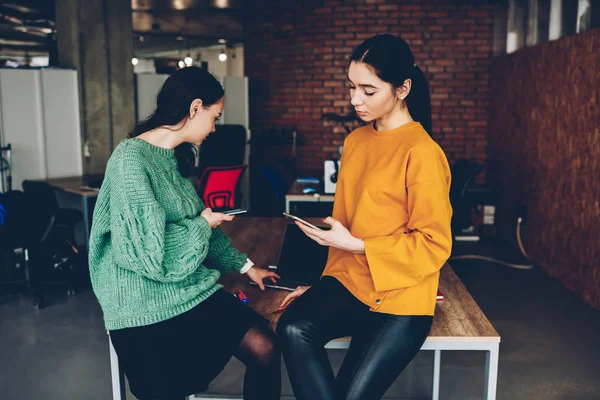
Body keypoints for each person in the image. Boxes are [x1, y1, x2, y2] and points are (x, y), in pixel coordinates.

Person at [276, 34, 453, 400]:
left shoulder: (423, 153)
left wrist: (356, 245)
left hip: (402, 296)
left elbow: (435, 244)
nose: (355, 99)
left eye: (368, 90)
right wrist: (322, 285)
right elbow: (343, 223)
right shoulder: (355, 141)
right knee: (292, 328)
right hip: (349, 282)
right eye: (352, 87)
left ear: (402, 88)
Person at [88, 66, 281, 400]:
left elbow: (199, 229)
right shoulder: (130, 160)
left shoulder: (171, 161)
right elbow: (149, 256)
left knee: (265, 348)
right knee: (167, 390)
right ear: (194, 109)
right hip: (141, 304)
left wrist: (249, 267)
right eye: (215, 116)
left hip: (185, 288)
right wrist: (203, 224)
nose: (215, 127)